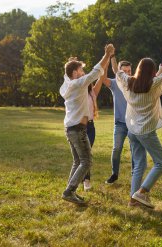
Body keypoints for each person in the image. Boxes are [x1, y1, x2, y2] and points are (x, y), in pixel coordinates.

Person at [110, 41, 162, 208]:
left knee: (139, 164)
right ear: (153, 72)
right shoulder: (153, 85)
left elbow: (116, 72)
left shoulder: (129, 83)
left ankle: (133, 200)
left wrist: (112, 56)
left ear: (137, 69)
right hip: (146, 132)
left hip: (132, 130)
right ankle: (141, 193)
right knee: (161, 163)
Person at [59, 44, 114, 205]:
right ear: (76, 73)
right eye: (81, 70)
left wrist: (71, 63)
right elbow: (96, 72)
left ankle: (70, 191)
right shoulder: (77, 84)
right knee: (86, 162)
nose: (83, 73)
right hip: (78, 129)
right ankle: (69, 192)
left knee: (78, 162)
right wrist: (107, 55)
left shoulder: (67, 84)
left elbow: (67, 73)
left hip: (71, 128)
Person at [103, 60, 134, 184]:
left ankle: (134, 174)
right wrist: (108, 60)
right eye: (124, 71)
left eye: (129, 71)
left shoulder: (134, 82)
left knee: (134, 149)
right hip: (120, 123)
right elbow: (103, 78)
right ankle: (114, 174)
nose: (127, 74)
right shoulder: (115, 83)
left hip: (133, 123)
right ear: (119, 72)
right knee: (116, 149)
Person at [82, 62, 109, 191]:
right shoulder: (78, 94)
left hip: (91, 128)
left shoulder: (92, 93)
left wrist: (106, 63)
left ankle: (85, 180)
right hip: (80, 127)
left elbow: (101, 78)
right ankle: (84, 180)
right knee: (83, 155)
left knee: (87, 154)